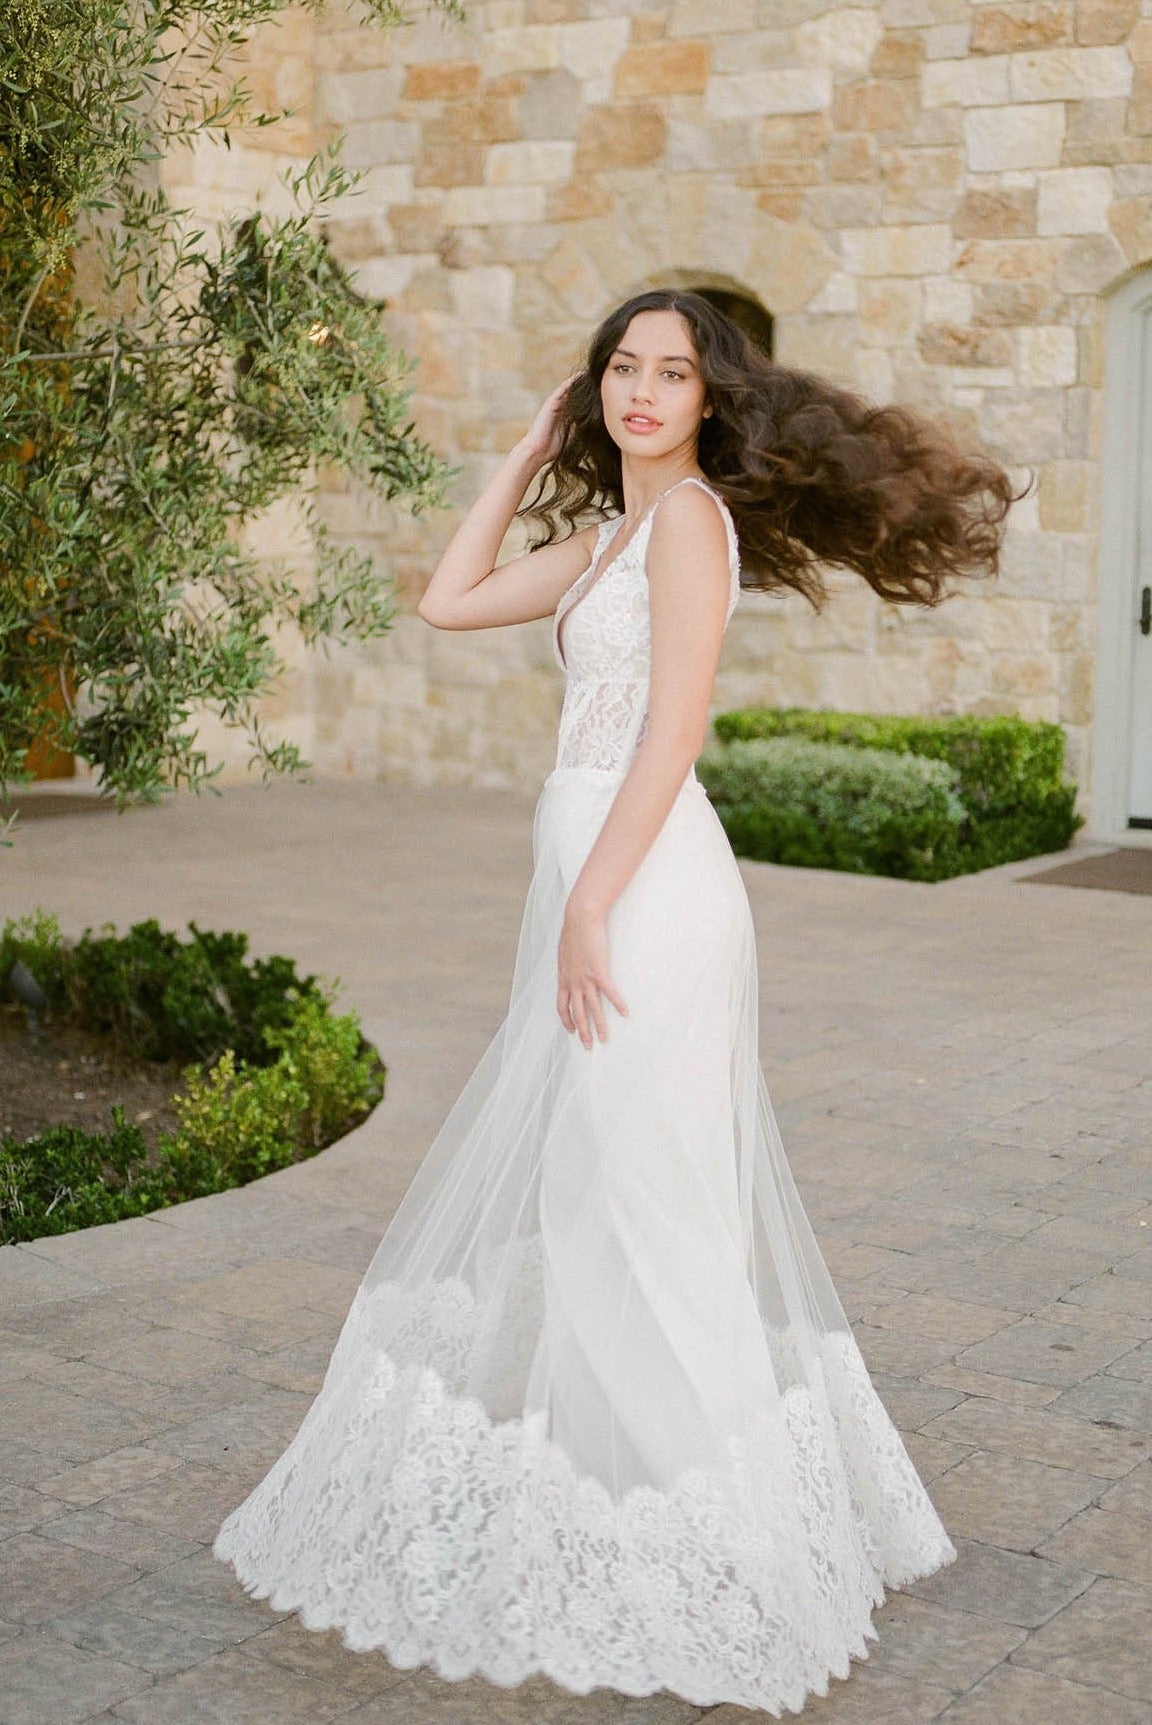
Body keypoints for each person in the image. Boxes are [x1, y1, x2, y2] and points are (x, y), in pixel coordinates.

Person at [213, 289, 1020, 1716]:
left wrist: (593, 899)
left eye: (673, 372)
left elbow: (672, 728)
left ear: (712, 399)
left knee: (646, 1188)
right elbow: (445, 598)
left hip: (646, 894)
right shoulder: (606, 543)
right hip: (594, 883)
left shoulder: (692, 527)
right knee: (597, 1182)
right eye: (620, 371)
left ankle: (701, 1519)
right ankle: (637, 1481)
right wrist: (523, 455)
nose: (645, 392)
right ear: (596, 390)